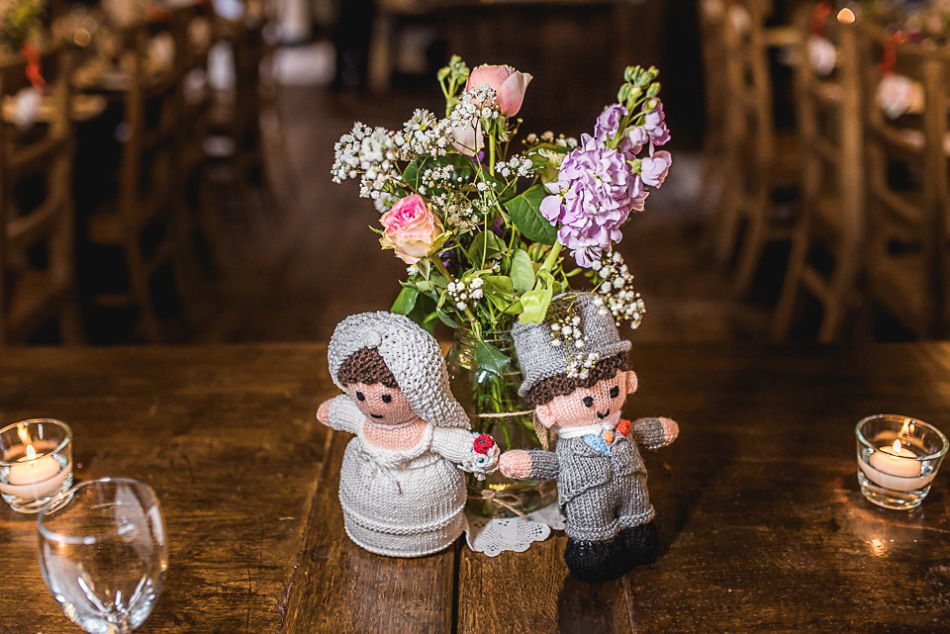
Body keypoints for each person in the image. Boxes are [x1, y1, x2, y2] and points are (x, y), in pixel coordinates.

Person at [499, 293, 678, 582]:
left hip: (635, 501)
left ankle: (638, 536)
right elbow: (552, 464)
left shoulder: (622, 426)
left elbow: (640, 432)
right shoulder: (568, 445)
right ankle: (594, 549)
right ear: (546, 410)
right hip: (587, 510)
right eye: (585, 400)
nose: (603, 404)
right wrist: (525, 462)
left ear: (627, 381)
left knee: (641, 535)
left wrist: (658, 429)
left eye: (613, 390)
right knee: (593, 554)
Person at [317, 311, 498, 557]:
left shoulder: (429, 433)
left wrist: (476, 450)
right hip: (364, 512)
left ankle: (426, 538)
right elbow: (344, 411)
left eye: (386, 397)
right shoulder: (363, 421)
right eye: (359, 395)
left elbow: (453, 442)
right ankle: (368, 531)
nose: (372, 406)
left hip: (431, 523)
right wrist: (334, 410)